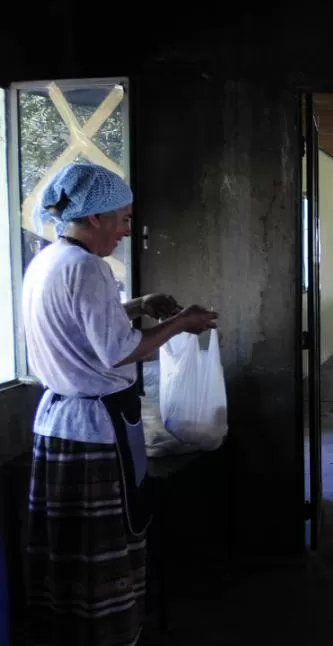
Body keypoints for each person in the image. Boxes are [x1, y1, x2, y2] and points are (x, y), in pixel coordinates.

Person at [22, 163, 219, 645]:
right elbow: (116, 350)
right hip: (94, 432)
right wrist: (182, 322)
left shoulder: (48, 262)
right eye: (124, 218)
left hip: (57, 423)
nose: (128, 229)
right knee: (101, 551)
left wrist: (138, 305)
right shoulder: (88, 268)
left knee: (66, 550)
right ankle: (107, 634)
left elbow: (82, 330)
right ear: (93, 219)